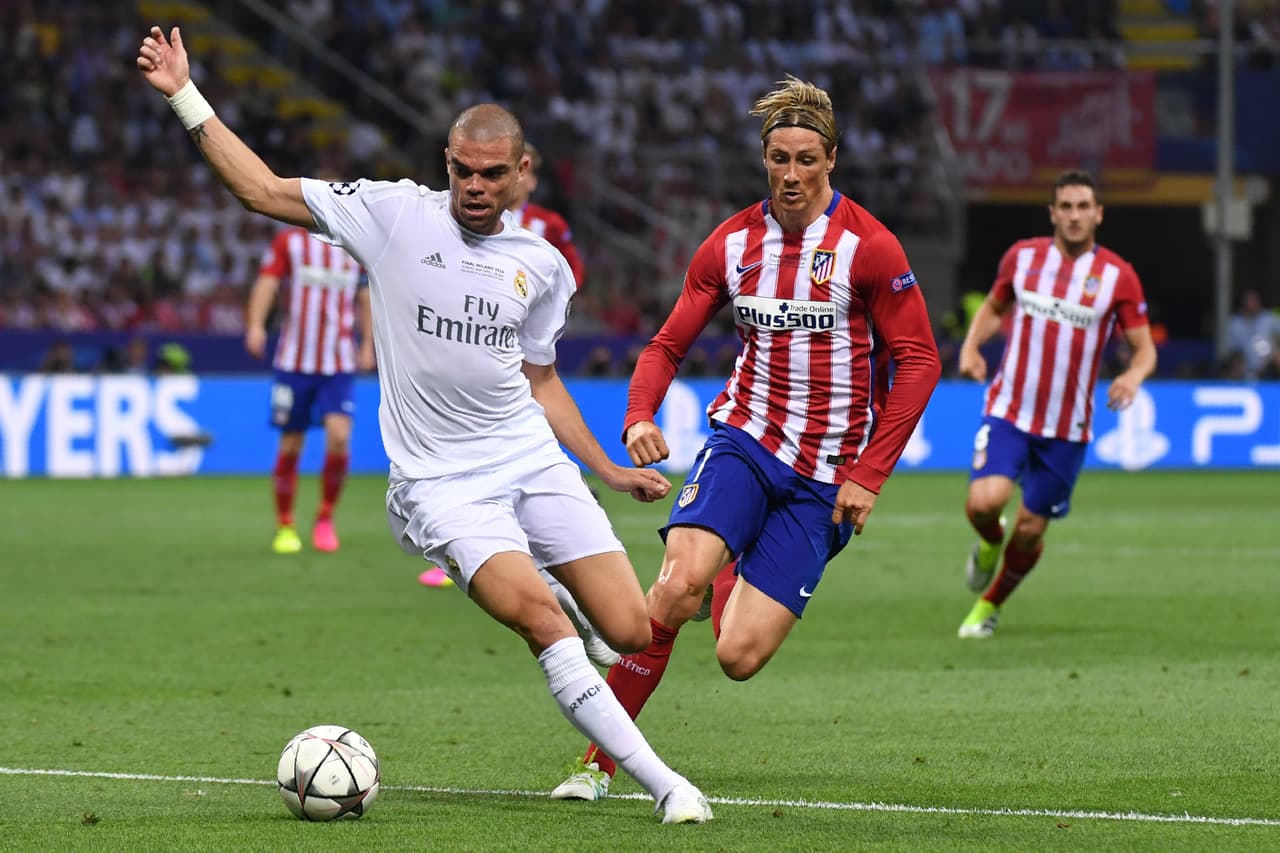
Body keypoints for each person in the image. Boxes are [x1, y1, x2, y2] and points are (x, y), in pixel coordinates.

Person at [137, 25, 712, 824]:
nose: (474, 187)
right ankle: (666, 784)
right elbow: (262, 189)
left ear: (519, 176)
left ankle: (556, 582)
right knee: (549, 626)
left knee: (629, 627)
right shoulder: (391, 215)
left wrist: (609, 470)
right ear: (447, 165)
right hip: (442, 484)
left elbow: (540, 379)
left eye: (490, 175)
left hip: (528, 456)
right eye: (461, 171)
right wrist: (184, 96)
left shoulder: (542, 266)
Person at [550, 76, 941, 801]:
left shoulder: (870, 247)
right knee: (669, 592)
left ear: (831, 161)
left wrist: (869, 474)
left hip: (825, 475)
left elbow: (919, 359)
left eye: (805, 159)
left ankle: (727, 570)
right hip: (745, 441)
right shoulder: (732, 243)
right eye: (778, 158)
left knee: (737, 654)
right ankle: (597, 764)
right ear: (764, 160)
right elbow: (666, 344)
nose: (791, 174)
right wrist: (640, 413)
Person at [956, 169, 1157, 639]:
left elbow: (1144, 347)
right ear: (1052, 212)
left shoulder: (1117, 277)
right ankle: (987, 544)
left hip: (1068, 428)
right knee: (986, 502)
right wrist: (970, 346)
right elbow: (994, 307)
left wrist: (1133, 374)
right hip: (1009, 410)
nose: (1074, 215)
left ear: (1098, 214)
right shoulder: (1022, 258)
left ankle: (988, 606)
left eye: (1083, 206)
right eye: (1065, 207)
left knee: (1028, 532)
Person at [419, 140, 588, 589]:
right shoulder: (455, 226)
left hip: (520, 348)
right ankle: (464, 545)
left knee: (527, 435)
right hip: (475, 346)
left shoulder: (547, 227)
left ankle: (542, 534)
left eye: (499, 172)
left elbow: (571, 277)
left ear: (525, 175)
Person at [245, 222, 375, 554]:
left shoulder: (352, 244)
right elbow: (267, 282)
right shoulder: (290, 242)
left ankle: (325, 517)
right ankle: (285, 524)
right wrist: (256, 326)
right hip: (294, 363)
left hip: (338, 364)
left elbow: (365, 298)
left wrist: (368, 345)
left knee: (339, 436)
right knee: (290, 445)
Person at [1225, 289, 1279, 380]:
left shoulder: (1269, 318)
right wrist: (1239, 359)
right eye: (1250, 301)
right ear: (1244, 303)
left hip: (1268, 360)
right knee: (1232, 365)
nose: (1253, 304)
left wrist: (1275, 348)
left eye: (1255, 301)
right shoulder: (1235, 323)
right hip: (1245, 360)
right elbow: (1232, 348)